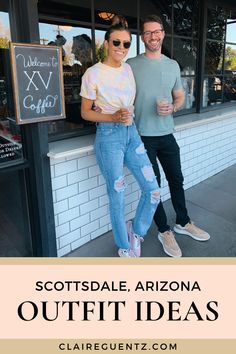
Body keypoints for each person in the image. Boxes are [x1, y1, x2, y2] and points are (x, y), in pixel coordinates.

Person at [127, 14, 210, 258]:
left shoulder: (172, 65)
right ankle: (164, 231)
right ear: (142, 37)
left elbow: (179, 96)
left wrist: (173, 107)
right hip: (141, 137)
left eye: (157, 31)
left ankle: (182, 222)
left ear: (163, 34)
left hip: (167, 134)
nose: (154, 36)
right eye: (148, 32)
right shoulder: (131, 65)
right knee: (153, 188)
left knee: (177, 179)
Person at [80, 16, 160, 258]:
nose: (121, 49)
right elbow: (85, 112)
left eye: (126, 44)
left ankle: (136, 231)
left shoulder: (127, 70)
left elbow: (129, 102)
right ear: (106, 43)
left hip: (131, 132)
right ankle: (124, 246)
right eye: (117, 42)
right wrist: (112, 117)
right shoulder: (92, 74)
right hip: (109, 137)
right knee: (118, 194)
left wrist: (126, 114)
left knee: (153, 190)